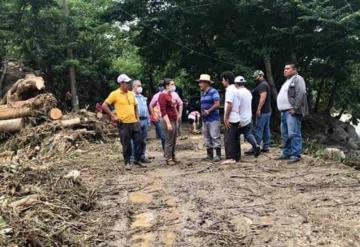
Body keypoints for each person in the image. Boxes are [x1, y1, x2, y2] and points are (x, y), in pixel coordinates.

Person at [102, 74, 146, 171]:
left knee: (139, 141)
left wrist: (137, 118)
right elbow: (104, 105)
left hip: (134, 122)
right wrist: (113, 115)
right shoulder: (115, 94)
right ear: (121, 83)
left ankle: (137, 160)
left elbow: (135, 106)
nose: (129, 84)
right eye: (127, 83)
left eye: (129, 83)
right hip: (123, 123)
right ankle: (127, 162)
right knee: (126, 144)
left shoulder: (131, 94)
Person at [276, 63, 309, 163]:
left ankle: (296, 155)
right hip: (284, 112)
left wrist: (295, 108)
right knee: (285, 134)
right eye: (284, 69)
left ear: (294, 70)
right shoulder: (287, 81)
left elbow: (302, 92)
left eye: (288, 68)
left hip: (292, 112)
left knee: (293, 133)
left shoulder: (298, 79)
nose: (285, 70)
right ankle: (286, 153)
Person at [149, 81, 183, 149]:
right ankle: (167, 153)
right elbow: (151, 105)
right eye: (161, 86)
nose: (162, 87)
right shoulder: (158, 95)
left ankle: (170, 154)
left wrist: (179, 114)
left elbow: (180, 103)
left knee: (172, 137)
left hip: (173, 118)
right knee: (164, 137)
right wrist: (154, 116)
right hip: (162, 118)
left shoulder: (174, 94)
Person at [246, 70, 272, 155]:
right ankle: (266, 146)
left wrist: (259, 109)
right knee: (265, 129)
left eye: (256, 76)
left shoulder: (263, 85)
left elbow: (263, 98)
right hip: (267, 111)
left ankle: (256, 147)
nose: (255, 78)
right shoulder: (263, 84)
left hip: (263, 111)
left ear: (261, 76)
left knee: (259, 129)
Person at [235, 75, 261, 159]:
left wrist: (237, 118)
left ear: (236, 83)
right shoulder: (248, 92)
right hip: (248, 117)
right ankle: (256, 145)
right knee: (248, 134)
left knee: (235, 135)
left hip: (239, 117)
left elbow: (237, 106)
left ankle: (236, 153)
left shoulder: (237, 93)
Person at [198, 74, 221, 161]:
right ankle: (209, 155)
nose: (199, 84)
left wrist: (209, 111)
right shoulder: (202, 93)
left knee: (215, 136)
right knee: (207, 137)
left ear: (206, 83)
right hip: (205, 118)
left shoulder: (213, 91)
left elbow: (217, 104)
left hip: (213, 118)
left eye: (201, 82)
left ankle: (218, 155)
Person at [158, 79, 180, 166]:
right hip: (168, 120)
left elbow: (173, 107)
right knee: (169, 140)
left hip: (173, 119)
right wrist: (168, 123)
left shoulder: (169, 95)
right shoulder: (162, 96)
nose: (173, 86)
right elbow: (163, 111)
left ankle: (173, 156)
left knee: (173, 139)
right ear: (167, 86)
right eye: (172, 84)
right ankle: (168, 158)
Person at [131, 80, 151, 163]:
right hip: (136, 121)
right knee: (135, 140)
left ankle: (142, 156)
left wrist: (148, 120)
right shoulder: (130, 96)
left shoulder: (142, 96)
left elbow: (146, 108)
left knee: (143, 140)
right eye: (138, 86)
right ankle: (133, 157)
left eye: (140, 85)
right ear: (133, 86)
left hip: (145, 120)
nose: (140, 87)